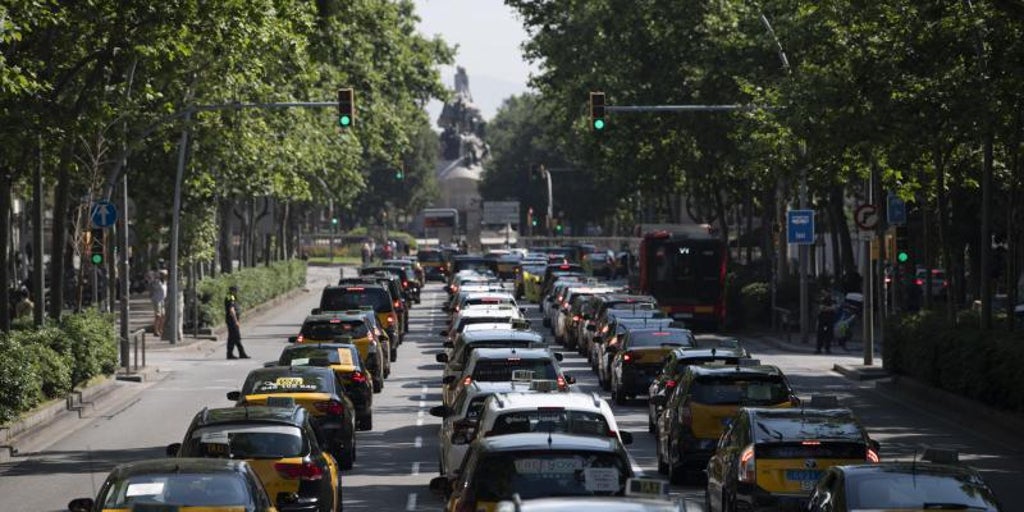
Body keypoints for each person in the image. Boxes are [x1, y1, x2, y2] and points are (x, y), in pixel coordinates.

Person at [224, 285, 249, 359]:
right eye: (236, 290)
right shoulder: (230, 296)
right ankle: (234, 353)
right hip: (232, 320)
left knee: (234, 337)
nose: (237, 292)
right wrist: (236, 321)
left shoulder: (231, 296)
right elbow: (231, 310)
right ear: (232, 290)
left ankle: (239, 353)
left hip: (232, 320)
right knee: (235, 336)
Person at [150, 270, 168, 338]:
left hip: (163, 300)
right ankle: (156, 330)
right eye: (163, 275)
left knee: (163, 316)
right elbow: (152, 287)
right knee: (158, 315)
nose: (164, 276)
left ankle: (161, 329)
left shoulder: (165, 282)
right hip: (157, 300)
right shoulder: (157, 282)